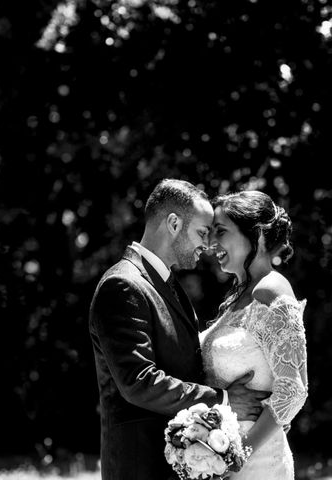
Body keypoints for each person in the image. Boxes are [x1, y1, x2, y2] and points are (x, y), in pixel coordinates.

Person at [88, 179, 270, 480]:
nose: (207, 245)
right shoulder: (123, 285)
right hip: (141, 466)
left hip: (180, 463)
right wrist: (223, 400)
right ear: (173, 223)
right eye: (201, 232)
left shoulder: (167, 284)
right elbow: (139, 381)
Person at [200, 190, 308, 480]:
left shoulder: (271, 289)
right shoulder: (237, 297)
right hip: (222, 455)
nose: (211, 244)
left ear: (256, 235)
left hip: (256, 464)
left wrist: (236, 456)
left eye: (220, 231)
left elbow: (294, 390)